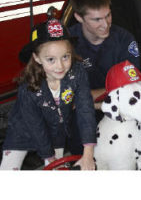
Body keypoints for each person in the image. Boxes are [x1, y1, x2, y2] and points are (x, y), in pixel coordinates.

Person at [0, 18, 96, 170]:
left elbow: (86, 109)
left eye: (65, 56)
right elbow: (34, 124)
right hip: (23, 130)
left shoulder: (77, 73)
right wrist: (47, 155)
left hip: (55, 130)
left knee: (57, 169)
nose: (60, 66)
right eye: (51, 59)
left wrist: (88, 152)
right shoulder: (28, 87)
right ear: (37, 58)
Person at [68, 0, 141, 154]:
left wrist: (86, 96)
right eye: (96, 19)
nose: (105, 24)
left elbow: (132, 89)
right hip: (82, 118)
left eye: (108, 15)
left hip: (119, 111)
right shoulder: (67, 43)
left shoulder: (124, 40)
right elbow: (63, 94)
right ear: (79, 17)